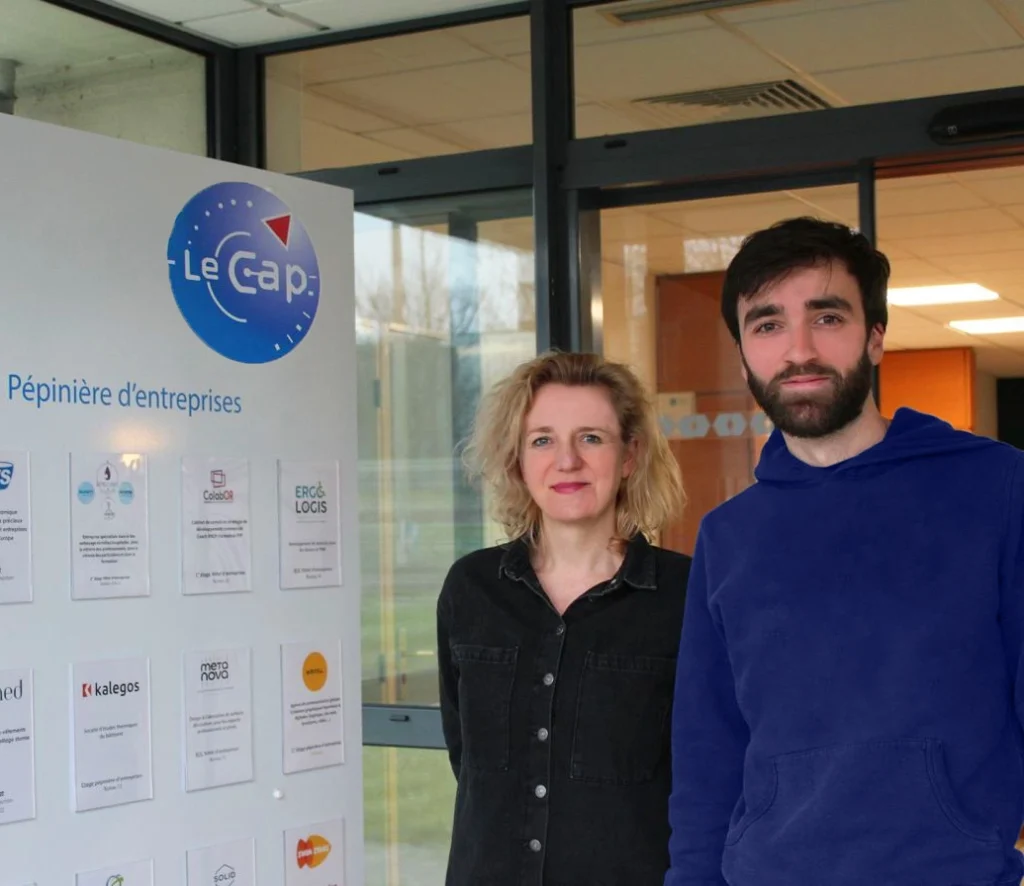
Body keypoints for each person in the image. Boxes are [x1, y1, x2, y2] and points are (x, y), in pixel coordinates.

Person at [664, 216, 1024, 886]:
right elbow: (707, 753)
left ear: (876, 337)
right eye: (767, 324)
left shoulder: (996, 488)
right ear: (744, 355)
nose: (798, 349)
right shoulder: (728, 537)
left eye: (826, 318)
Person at [437, 350, 691, 886]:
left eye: (592, 438)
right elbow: (468, 760)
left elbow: (708, 775)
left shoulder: (686, 596)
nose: (567, 461)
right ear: (518, 460)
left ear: (629, 456)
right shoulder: (471, 589)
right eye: (543, 440)